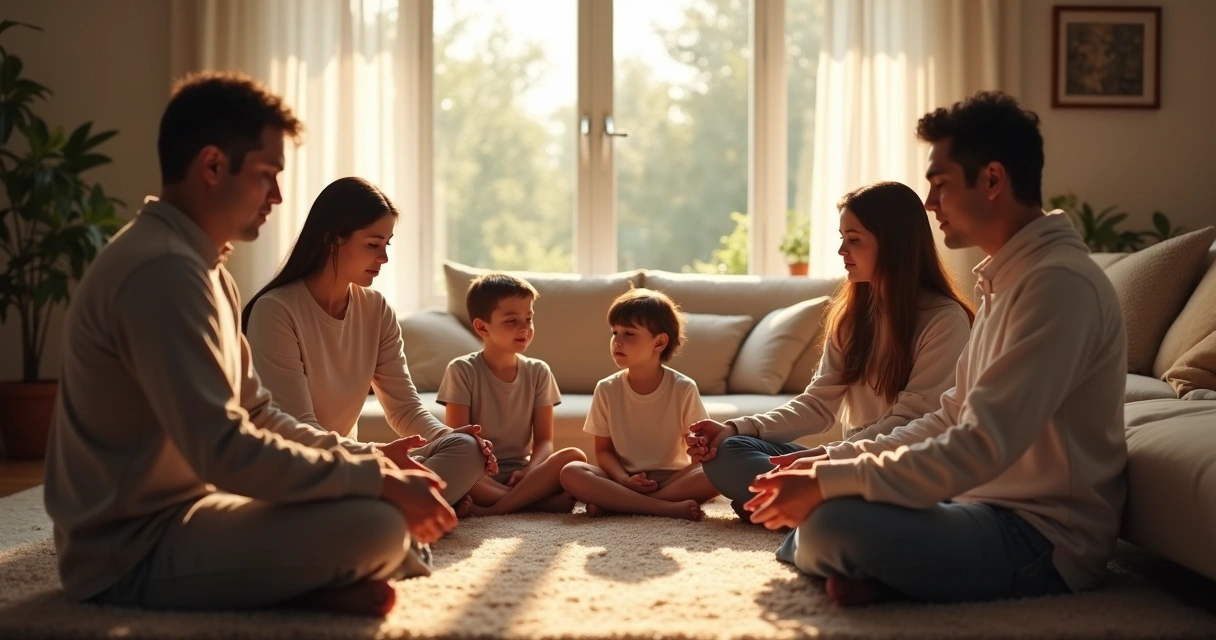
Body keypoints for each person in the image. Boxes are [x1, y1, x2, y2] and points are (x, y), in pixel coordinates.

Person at [43, 72, 456, 617]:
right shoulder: (162, 270)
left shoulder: (207, 270)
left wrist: (370, 463)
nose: (279, 196)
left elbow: (258, 412)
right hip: (127, 550)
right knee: (377, 526)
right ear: (213, 166)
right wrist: (372, 480)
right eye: (267, 175)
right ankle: (311, 582)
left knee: (378, 503)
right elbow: (223, 448)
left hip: (191, 509)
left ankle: (308, 583)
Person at [742, 91, 1127, 607]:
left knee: (830, 524)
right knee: (822, 511)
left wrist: (831, 481)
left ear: (992, 180)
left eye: (940, 184)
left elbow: (980, 444)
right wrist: (826, 467)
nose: (929, 203)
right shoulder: (1007, 280)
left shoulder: (1056, 285)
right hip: (977, 505)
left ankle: (888, 570)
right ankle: (892, 575)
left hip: (1041, 537)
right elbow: (948, 416)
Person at [689, 181, 974, 521]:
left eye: (854, 240)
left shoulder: (945, 321)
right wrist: (735, 429)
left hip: (899, 465)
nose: (842, 250)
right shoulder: (852, 318)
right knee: (726, 453)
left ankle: (793, 507)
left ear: (895, 244)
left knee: (818, 490)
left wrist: (825, 460)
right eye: (842, 238)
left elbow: (911, 422)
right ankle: (806, 507)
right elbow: (817, 405)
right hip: (843, 457)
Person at [243, 176, 494, 506]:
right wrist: (376, 456)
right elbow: (297, 429)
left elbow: (405, 408)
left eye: (386, 244)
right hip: (303, 470)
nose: (384, 258)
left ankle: (407, 505)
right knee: (397, 488)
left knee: (466, 448)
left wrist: (450, 437)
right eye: (373, 244)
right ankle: (418, 503)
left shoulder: (376, 309)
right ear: (333, 241)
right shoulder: (275, 311)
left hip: (358, 466)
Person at [559, 289, 717, 521]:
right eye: (614, 332)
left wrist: (701, 446)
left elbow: (696, 447)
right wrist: (624, 479)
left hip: (671, 479)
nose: (617, 341)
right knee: (571, 472)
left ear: (660, 342)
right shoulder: (606, 388)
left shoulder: (683, 388)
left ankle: (617, 505)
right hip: (621, 479)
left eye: (629, 334)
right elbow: (603, 451)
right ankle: (661, 507)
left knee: (716, 472)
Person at [437, 273, 588, 516]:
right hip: (479, 473)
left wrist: (529, 471)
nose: (524, 328)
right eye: (511, 321)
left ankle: (493, 508)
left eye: (528, 319)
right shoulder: (461, 370)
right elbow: (458, 440)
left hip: (524, 471)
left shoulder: (539, 371)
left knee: (574, 456)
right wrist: (484, 472)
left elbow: (544, 442)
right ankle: (534, 503)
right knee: (446, 470)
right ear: (481, 326)